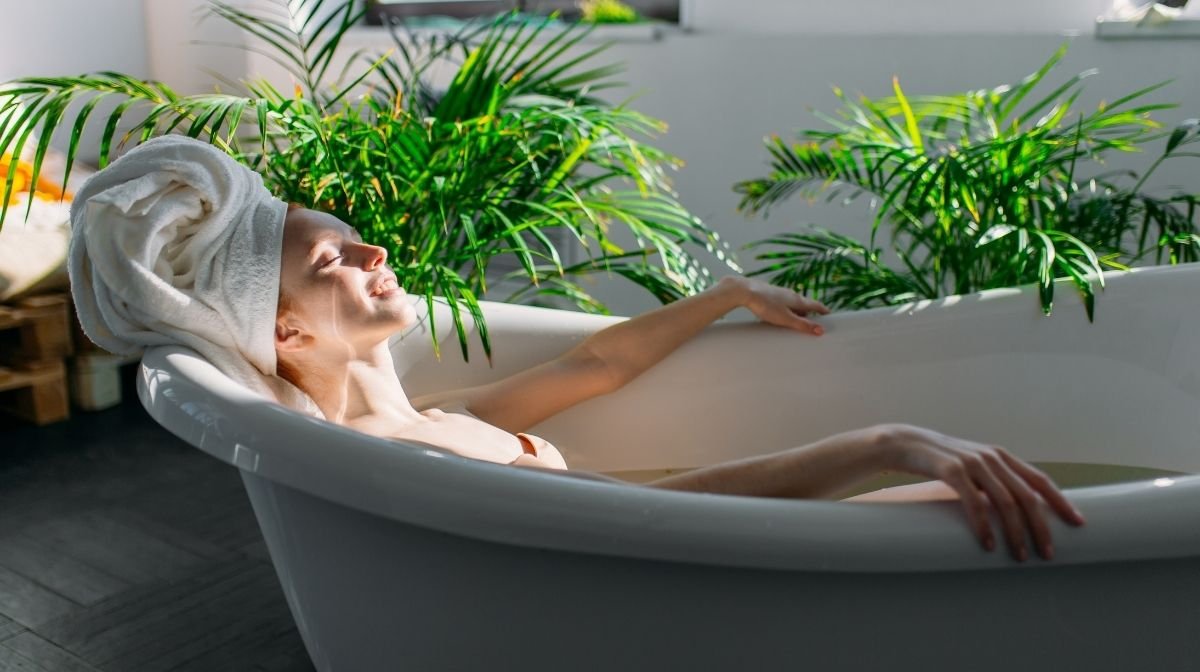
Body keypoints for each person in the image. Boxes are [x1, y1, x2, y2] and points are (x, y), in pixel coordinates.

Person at [70, 136, 1085, 569]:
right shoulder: (400, 456)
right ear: (286, 332)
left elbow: (591, 369)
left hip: (689, 557)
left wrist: (723, 297)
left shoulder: (423, 424)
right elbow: (668, 514)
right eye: (335, 256)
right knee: (981, 514)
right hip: (693, 575)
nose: (374, 249)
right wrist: (887, 437)